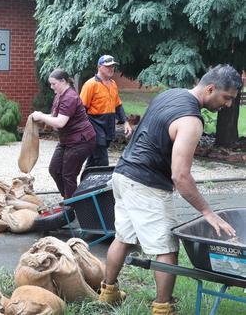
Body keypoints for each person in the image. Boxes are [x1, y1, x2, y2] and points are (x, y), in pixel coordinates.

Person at [99, 65, 241, 315]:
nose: (228, 105)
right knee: (166, 248)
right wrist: (208, 212)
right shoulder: (191, 121)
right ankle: (163, 308)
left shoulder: (170, 94)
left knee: (123, 238)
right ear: (210, 89)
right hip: (146, 184)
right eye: (226, 98)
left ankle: (108, 293)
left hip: (122, 175)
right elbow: (181, 175)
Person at [31, 69, 96, 199]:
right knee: (54, 170)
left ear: (63, 81)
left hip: (81, 141)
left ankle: (72, 206)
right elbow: (56, 116)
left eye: (54, 84)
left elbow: (60, 122)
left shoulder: (70, 97)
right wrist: (40, 116)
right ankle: (69, 199)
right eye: (50, 84)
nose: (51, 87)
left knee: (68, 174)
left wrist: (41, 116)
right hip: (67, 140)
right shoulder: (59, 95)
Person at [79, 55, 133, 167]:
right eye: (108, 66)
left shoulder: (113, 84)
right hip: (94, 125)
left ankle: (86, 181)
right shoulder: (90, 84)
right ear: (99, 67)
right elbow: (81, 109)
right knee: (102, 160)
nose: (111, 69)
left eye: (112, 66)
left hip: (108, 125)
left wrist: (125, 122)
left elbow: (118, 105)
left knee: (94, 159)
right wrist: (84, 130)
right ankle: (102, 182)